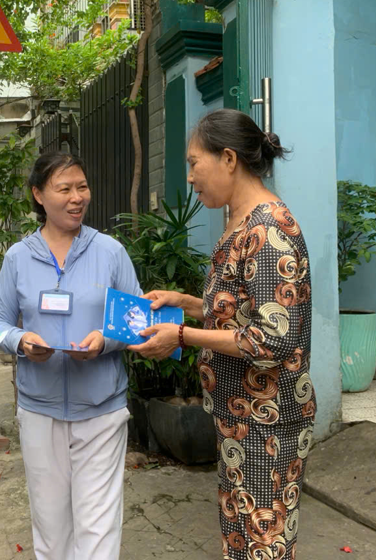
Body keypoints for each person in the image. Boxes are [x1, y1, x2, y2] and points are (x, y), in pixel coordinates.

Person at [129, 109, 316, 560]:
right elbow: (238, 310)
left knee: (263, 545)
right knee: (240, 540)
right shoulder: (238, 222)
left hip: (268, 422)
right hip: (239, 417)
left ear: (228, 159)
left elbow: (270, 340)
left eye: (194, 163)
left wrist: (182, 335)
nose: (190, 177)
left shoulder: (267, 230)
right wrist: (186, 302)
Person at [0, 152, 141, 560]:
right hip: (40, 410)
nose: (77, 198)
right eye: (65, 189)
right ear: (39, 195)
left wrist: (104, 341)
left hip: (102, 410)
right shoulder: (18, 257)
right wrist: (21, 341)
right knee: (51, 529)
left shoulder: (110, 252)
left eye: (82, 187)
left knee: (98, 529)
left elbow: (139, 319)